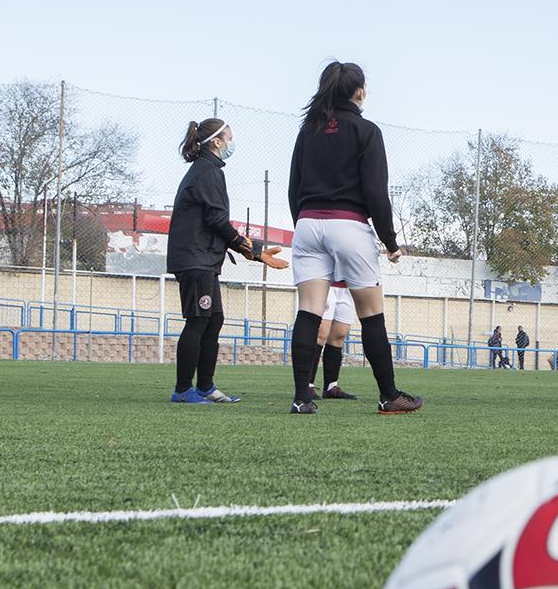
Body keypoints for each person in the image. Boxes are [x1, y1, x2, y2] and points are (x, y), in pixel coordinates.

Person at [285, 61, 420, 416]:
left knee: (309, 311)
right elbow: (376, 192)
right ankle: (389, 395)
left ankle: (302, 398)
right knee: (371, 313)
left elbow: (293, 187)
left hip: (308, 224)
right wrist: (390, 242)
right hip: (349, 224)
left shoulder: (308, 130)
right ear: (359, 91)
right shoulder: (366, 130)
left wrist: (303, 223)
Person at [168, 116, 286, 403]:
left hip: (204, 259)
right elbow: (217, 219)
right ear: (217, 142)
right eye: (229, 139)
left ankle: (206, 387)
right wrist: (252, 250)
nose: (231, 144)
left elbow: (214, 221)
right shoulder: (207, 171)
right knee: (198, 321)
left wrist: (248, 249)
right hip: (195, 259)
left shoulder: (208, 170)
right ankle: (183, 390)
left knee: (214, 319)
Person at [308, 281, 359, 400]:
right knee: (320, 334)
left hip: (348, 286)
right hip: (326, 283)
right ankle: (307, 385)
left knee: (339, 336)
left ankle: (331, 387)